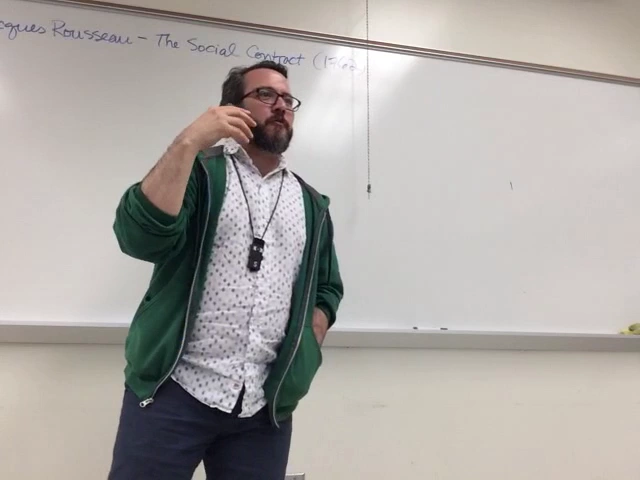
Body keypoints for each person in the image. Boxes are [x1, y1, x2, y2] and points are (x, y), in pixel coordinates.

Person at [107, 60, 344, 480]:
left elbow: (326, 287)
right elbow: (139, 238)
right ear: (232, 107)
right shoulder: (200, 172)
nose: (281, 106)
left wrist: (311, 336)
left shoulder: (311, 204)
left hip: (262, 407)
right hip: (173, 392)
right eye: (266, 94)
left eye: (287, 98)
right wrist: (188, 142)